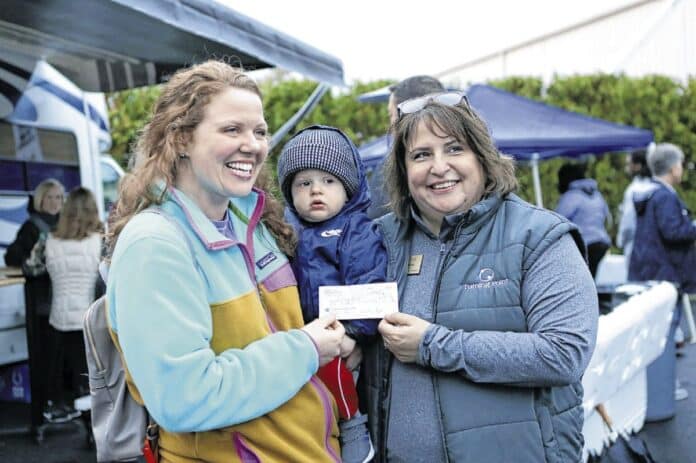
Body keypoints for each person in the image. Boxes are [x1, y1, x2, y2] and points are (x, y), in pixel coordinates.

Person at [105, 60, 345, 462]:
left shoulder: (253, 223)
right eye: (232, 129)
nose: (252, 145)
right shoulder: (155, 244)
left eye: (259, 131)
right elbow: (184, 397)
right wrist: (306, 348)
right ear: (181, 138)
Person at [361, 91, 598, 462]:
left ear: (482, 157)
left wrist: (432, 345)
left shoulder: (538, 237)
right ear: (403, 171)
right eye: (421, 155)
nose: (439, 167)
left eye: (454, 148)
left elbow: (564, 353)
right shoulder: (380, 241)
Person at [277, 125, 387, 463]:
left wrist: (353, 333)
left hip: (342, 333)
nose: (316, 190)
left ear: (347, 188)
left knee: (338, 377)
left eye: (328, 181)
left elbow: (369, 283)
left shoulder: (356, 230)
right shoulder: (285, 231)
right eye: (303, 183)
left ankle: (354, 426)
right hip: (301, 334)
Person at [629, 143, 695, 413]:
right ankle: (664, 386)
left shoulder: (649, 194)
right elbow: (673, 231)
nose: (682, 168)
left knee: (657, 332)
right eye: (680, 163)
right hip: (665, 272)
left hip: (650, 269)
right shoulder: (665, 197)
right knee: (665, 332)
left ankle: (658, 385)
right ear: (672, 167)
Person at [4, 178, 64, 425]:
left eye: (59, 197)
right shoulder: (32, 227)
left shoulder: (67, 224)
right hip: (42, 306)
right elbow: (12, 257)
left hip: (63, 303)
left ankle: (59, 405)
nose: (55, 202)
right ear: (40, 200)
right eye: (50, 197)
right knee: (45, 358)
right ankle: (45, 409)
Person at [42, 187, 102, 422]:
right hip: (91, 321)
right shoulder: (101, 241)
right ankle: (93, 428)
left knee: (74, 376)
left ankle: (71, 410)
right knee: (92, 380)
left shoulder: (49, 241)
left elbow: (32, 267)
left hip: (60, 320)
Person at [368, 75, 447, 219]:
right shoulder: (472, 150)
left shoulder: (392, 165)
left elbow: (375, 219)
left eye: (391, 115)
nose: (391, 126)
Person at [555, 162, 612, 277]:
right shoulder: (597, 194)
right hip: (601, 242)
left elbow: (556, 222)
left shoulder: (570, 196)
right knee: (591, 277)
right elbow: (607, 219)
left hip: (584, 245)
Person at [617, 147, 656, 270]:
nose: (627, 168)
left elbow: (627, 221)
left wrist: (621, 241)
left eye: (629, 164)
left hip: (635, 246)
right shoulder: (657, 187)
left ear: (638, 165)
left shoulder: (632, 190)